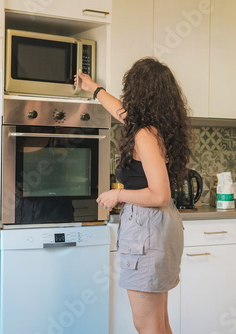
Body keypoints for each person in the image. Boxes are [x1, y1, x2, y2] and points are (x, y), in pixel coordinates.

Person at [75, 57, 192, 334]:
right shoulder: (155, 128)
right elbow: (120, 112)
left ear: (137, 93)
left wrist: (119, 195)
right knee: (159, 323)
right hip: (158, 227)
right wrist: (93, 88)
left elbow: (160, 194)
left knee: (148, 326)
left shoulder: (143, 135)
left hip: (147, 229)